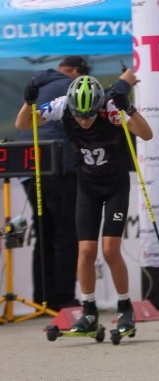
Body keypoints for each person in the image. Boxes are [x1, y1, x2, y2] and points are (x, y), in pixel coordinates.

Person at [17, 74, 153, 338]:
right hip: (88, 186)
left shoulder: (110, 108)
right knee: (86, 251)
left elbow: (147, 134)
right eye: (79, 116)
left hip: (115, 186)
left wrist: (129, 108)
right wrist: (28, 102)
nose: (84, 121)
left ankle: (125, 308)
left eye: (89, 115)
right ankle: (89, 311)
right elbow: (23, 124)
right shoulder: (62, 106)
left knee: (110, 250)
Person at [16, 55, 92, 309]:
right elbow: (97, 108)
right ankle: (63, 299)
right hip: (59, 168)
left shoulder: (37, 85)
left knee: (43, 235)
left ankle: (42, 299)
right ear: (76, 72)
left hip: (28, 168)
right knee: (66, 233)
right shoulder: (70, 86)